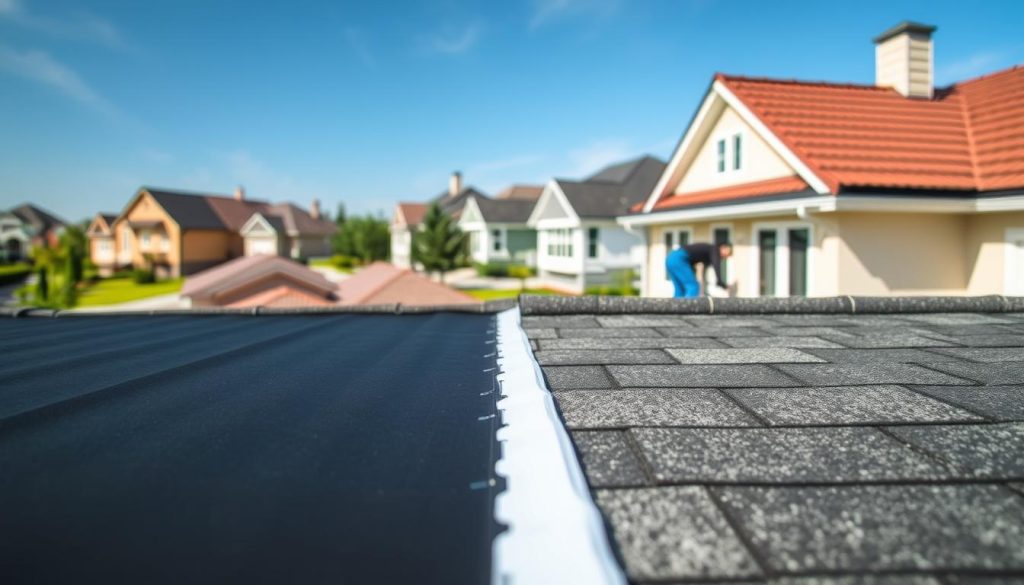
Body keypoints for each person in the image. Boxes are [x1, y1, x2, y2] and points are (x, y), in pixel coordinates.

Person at [666, 242, 733, 298]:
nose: (725, 257)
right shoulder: (715, 249)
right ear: (723, 247)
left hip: (671, 257)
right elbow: (717, 266)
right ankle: (687, 311)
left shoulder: (709, 252)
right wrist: (721, 283)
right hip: (679, 258)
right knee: (693, 286)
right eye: (727, 252)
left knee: (679, 290)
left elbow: (704, 271)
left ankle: (674, 312)